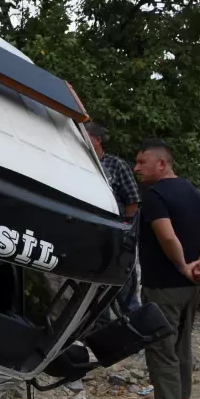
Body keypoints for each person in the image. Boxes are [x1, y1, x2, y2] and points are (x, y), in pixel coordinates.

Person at [133, 139, 200, 399]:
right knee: (182, 345)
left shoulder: (155, 195)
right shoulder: (193, 192)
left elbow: (167, 238)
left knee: (161, 348)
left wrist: (183, 264)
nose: (136, 168)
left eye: (141, 162)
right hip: (190, 287)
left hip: (163, 286)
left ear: (162, 163)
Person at [85, 122, 142, 314]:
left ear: (98, 140)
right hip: (90, 236)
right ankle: (97, 335)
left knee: (124, 291)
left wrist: (125, 229)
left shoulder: (115, 165)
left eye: (86, 136)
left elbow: (132, 201)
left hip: (116, 237)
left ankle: (133, 333)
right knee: (92, 295)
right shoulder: (80, 163)